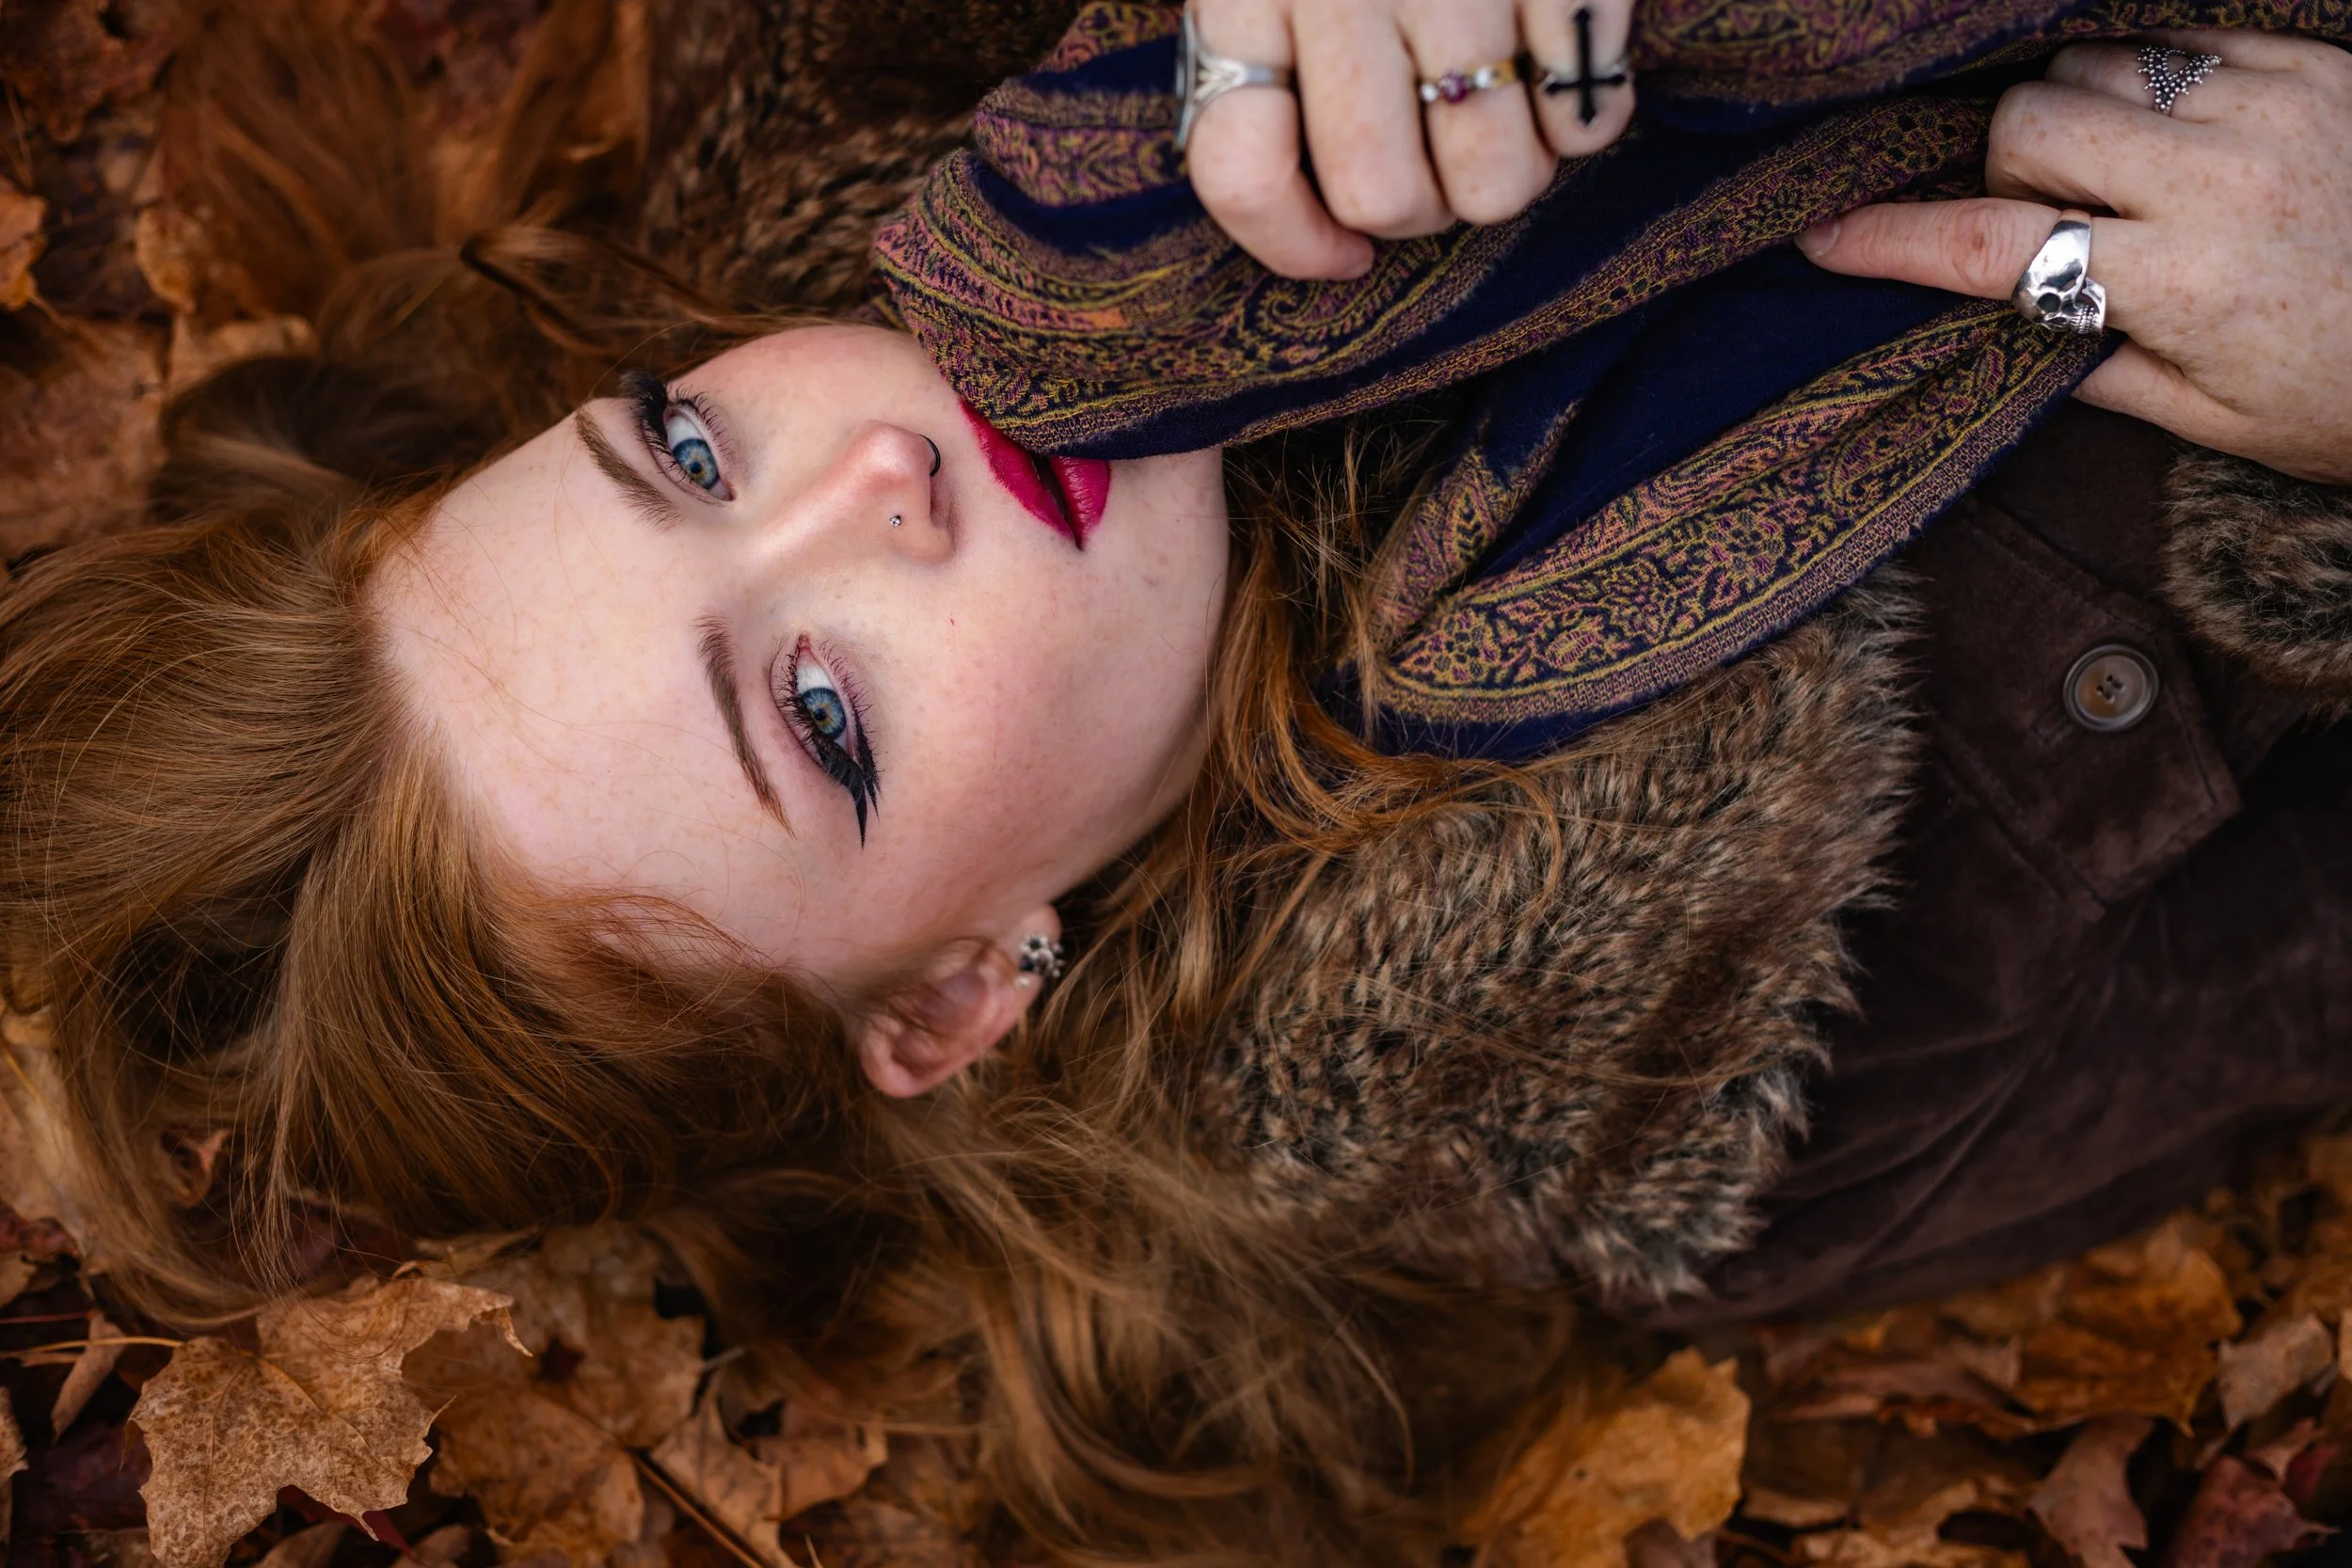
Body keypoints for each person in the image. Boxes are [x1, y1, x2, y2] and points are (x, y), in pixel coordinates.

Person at [2, 0, 2348, 1562]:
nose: (882, 472)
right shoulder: (1777, 1046)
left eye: (688, 449)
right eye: (819, 714)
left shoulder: (920, 103)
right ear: (954, 994)